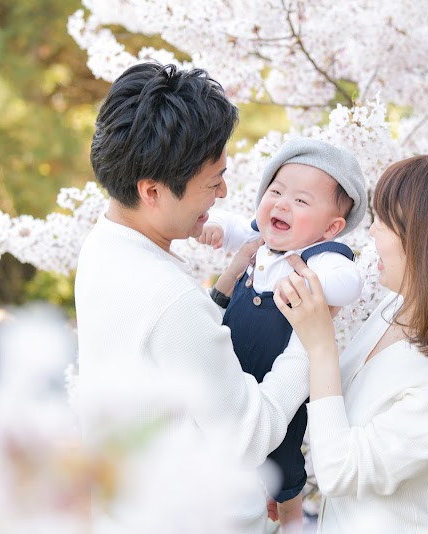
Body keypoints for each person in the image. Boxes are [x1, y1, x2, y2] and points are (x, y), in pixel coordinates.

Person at [74, 62, 309, 532]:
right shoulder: (171, 299)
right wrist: (312, 339)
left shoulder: (102, 246)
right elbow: (249, 436)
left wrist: (221, 293)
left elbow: (159, 355)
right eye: (212, 182)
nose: (222, 192)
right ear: (153, 191)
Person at [273, 155, 428, 533]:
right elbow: (332, 415)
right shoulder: (396, 306)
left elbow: (341, 471)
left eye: (385, 222)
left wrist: (322, 346)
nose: (372, 232)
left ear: (426, 240)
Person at [197, 138, 366, 529]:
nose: (283, 204)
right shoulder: (261, 241)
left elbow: (350, 283)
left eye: (302, 201)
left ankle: (289, 510)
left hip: (279, 392)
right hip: (231, 374)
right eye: (275, 191)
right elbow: (238, 226)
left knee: (282, 455)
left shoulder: (323, 257)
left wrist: (310, 281)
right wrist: (219, 228)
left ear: (331, 228)